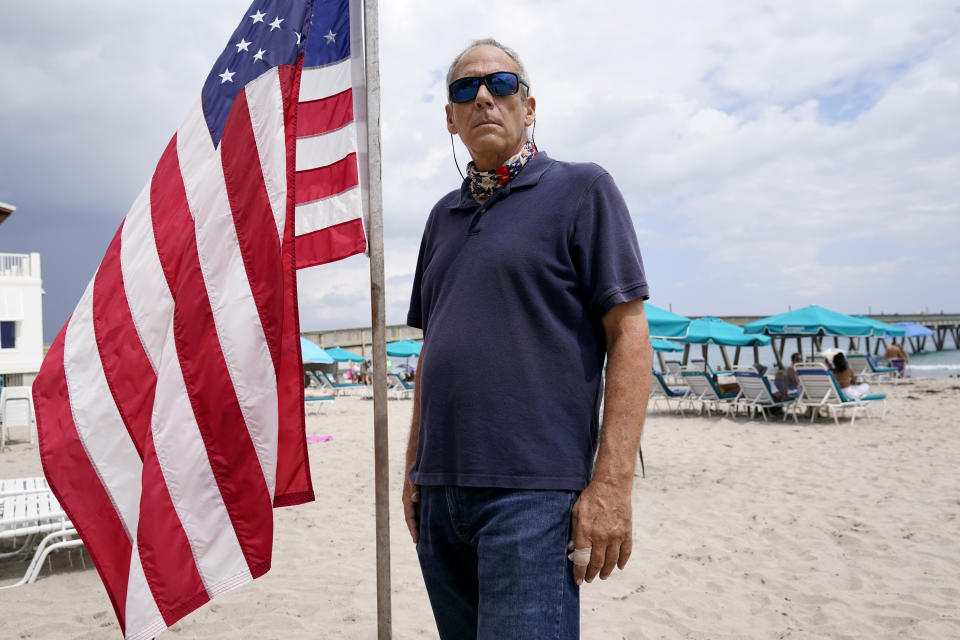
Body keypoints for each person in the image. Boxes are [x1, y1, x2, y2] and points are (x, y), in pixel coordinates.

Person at [401, 39, 651, 640]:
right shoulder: (442, 217)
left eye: (501, 84)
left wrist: (612, 483)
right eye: (465, 89)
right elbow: (434, 347)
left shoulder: (582, 190)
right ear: (450, 116)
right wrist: (414, 465)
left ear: (529, 105)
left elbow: (631, 338)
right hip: (440, 495)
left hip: (532, 495)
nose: (483, 96)